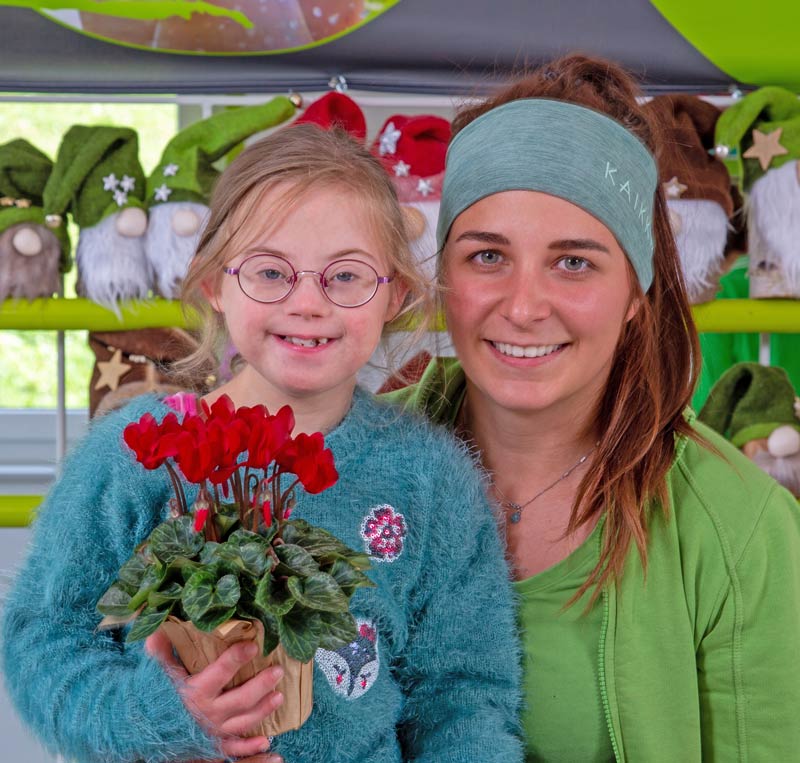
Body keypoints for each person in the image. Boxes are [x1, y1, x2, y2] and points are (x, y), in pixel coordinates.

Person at [1, 125, 522, 763]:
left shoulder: (430, 476)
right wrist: (164, 715)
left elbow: (464, 697)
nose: (307, 303)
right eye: (271, 271)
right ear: (214, 284)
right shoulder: (136, 451)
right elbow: (43, 640)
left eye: (347, 276)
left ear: (396, 294)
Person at [387, 54, 800, 761]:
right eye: (487, 256)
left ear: (637, 295)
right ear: (443, 272)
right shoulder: (344, 464)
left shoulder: (743, 530)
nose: (522, 306)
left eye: (573, 262)